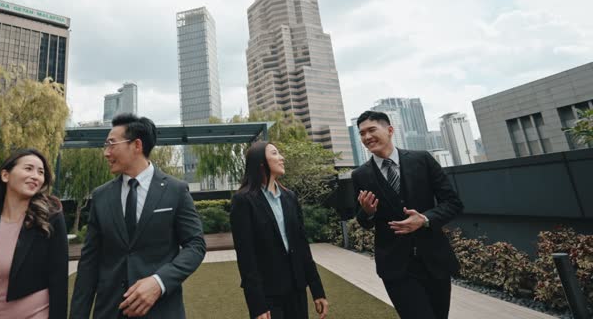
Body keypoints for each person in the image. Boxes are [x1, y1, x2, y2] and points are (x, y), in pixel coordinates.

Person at [69, 113, 206, 318]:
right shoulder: (100, 197)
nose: (106, 153)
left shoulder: (175, 190)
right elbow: (89, 263)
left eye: (111, 144)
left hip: (161, 310)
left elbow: (195, 245)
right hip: (109, 311)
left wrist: (159, 282)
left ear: (137, 145)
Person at [352, 110, 463, 319]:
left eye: (371, 130)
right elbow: (362, 221)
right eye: (362, 133)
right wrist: (367, 212)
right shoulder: (360, 175)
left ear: (390, 130)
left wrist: (425, 219)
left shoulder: (422, 160)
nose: (366, 137)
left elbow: (453, 203)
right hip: (396, 267)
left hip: (434, 260)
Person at [0, 148, 68, 319]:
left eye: (41, 172)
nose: (36, 176)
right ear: (5, 175)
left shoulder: (50, 220)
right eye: (28, 168)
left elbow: (59, 281)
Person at [230, 141, 329, 319]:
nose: (281, 158)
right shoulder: (243, 201)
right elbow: (246, 257)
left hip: (297, 289)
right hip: (268, 295)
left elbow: (302, 246)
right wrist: (257, 305)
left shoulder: (290, 197)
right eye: (275, 153)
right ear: (261, 163)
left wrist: (317, 290)